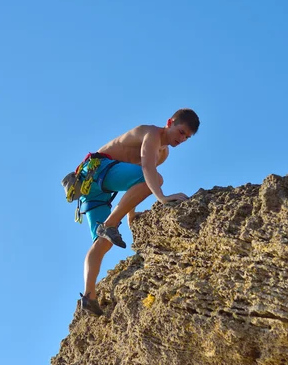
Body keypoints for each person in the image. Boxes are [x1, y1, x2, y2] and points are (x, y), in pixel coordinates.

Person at [63, 108, 200, 316]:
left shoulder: (163, 153)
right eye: (181, 132)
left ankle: (89, 296)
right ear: (170, 122)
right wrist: (161, 197)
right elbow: (146, 170)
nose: (182, 139)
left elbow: (135, 179)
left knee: (103, 243)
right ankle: (108, 226)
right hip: (97, 172)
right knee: (156, 180)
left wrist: (131, 214)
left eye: (187, 138)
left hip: (97, 191)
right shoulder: (151, 134)